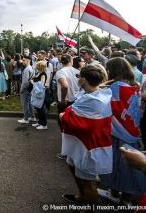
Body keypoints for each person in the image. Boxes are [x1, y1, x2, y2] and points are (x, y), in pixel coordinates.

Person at [59, 65, 112, 207]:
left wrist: (63, 115)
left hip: (87, 146)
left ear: (84, 80)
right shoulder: (98, 94)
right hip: (79, 143)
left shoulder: (94, 100)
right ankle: (81, 195)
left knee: (88, 181)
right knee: (71, 165)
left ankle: (90, 208)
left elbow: (75, 118)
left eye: (79, 77)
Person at [98, 57, 146, 204]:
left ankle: (119, 196)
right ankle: (124, 196)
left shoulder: (113, 88)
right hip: (133, 133)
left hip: (117, 133)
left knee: (117, 165)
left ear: (112, 71)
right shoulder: (136, 86)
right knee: (128, 169)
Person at [30, 60, 48, 130]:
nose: (36, 66)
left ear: (40, 67)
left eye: (37, 65)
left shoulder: (43, 74)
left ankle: (44, 124)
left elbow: (41, 85)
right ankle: (40, 122)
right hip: (36, 93)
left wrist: (32, 83)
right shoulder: (38, 73)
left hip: (40, 93)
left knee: (41, 108)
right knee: (38, 108)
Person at [18, 55, 34, 124]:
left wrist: (21, 90)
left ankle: (26, 118)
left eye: (24, 60)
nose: (22, 61)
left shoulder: (27, 69)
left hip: (26, 89)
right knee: (29, 103)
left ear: (28, 61)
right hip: (30, 88)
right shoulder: (31, 68)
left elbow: (25, 82)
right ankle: (32, 117)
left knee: (25, 104)